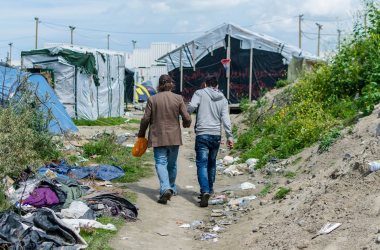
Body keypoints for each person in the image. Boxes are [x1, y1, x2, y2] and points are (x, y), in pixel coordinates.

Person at [138, 75, 192, 204]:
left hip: (158, 136)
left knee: (161, 163)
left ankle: (165, 188)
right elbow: (187, 117)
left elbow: (145, 119)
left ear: (159, 85)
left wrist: (141, 134)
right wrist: (186, 123)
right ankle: (172, 187)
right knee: (172, 164)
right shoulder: (178, 98)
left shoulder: (152, 99)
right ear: (171, 84)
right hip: (174, 136)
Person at [187, 76, 233, 207]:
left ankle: (205, 190)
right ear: (217, 86)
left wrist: (185, 113)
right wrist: (229, 137)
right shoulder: (223, 99)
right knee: (212, 162)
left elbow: (192, 106)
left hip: (202, 134)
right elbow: (226, 120)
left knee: (202, 163)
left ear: (205, 84)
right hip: (216, 135)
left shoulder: (200, 93)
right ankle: (210, 189)